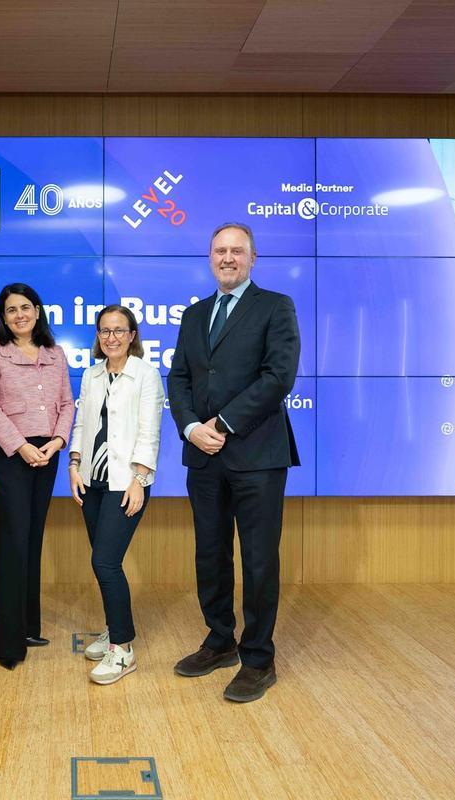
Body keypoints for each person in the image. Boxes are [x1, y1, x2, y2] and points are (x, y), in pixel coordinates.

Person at [167, 222, 300, 704]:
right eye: (219, 250)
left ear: (252, 258)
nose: (228, 258)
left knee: (259, 558)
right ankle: (220, 640)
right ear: (210, 257)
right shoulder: (195, 314)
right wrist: (190, 429)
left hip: (258, 455)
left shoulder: (275, 307)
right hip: (202, 456)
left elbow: (277, 377)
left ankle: (259, 659)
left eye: (236, 251)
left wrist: (220, 425)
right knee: (210, 553)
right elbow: (178, 377)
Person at [0, 282, 74, 669]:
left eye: (26, 308)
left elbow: (67, 402)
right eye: (11, 309)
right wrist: (20, 446)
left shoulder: (55, 352)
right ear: (3, 316)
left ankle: (29, 625)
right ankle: (8, 642)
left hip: (46, 452)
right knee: (14, 541)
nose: (19, 315)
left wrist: (58, 440)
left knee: (33, 538)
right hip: (11, 454)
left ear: (37, 311)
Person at [68, 305, 163, 685]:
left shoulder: (146, 375)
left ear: (132, 335)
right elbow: (81, 423)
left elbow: (149, 431)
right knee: (103, 561)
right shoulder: (92, 375)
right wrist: (74, 464)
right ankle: (113, 627)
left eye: (119, 331)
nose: (111, 338)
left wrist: (140, 479)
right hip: (93, 481)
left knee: (105, 562)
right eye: (104, 331)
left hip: (127, 483)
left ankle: (123, 651)